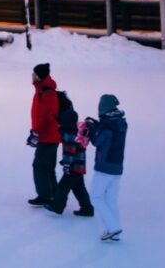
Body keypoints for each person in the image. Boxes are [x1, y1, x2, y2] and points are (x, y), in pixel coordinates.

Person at [87, 94, 128, 242]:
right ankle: (114, 230)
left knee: (95, 197)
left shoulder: (107, 125)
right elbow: (109, 136)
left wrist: (92, 129)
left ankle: (113, 228)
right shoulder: (120, 123)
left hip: (104, 167)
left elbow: (97, 142)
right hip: (117, 167)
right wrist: (98, 125)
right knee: (110, 199)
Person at [47, 91, 93, 217]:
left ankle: (57, 207)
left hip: (73, 167)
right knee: (79, 189)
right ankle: (87, 208)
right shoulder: (77, 132)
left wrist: (66, 164)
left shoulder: (69, 135)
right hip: (79, 167)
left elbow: (70, 150)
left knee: (63, 187)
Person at [27, 63, 61, 207]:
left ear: (39, 76)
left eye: (34, 74)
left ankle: (45, 196)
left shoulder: (48, 93)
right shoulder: (42, 91)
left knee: (39, 166)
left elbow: (47, 116)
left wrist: (36, 132)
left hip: (48, 136)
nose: (32, 76)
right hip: (49, 136)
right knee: (47, 167)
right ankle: (54, 193)